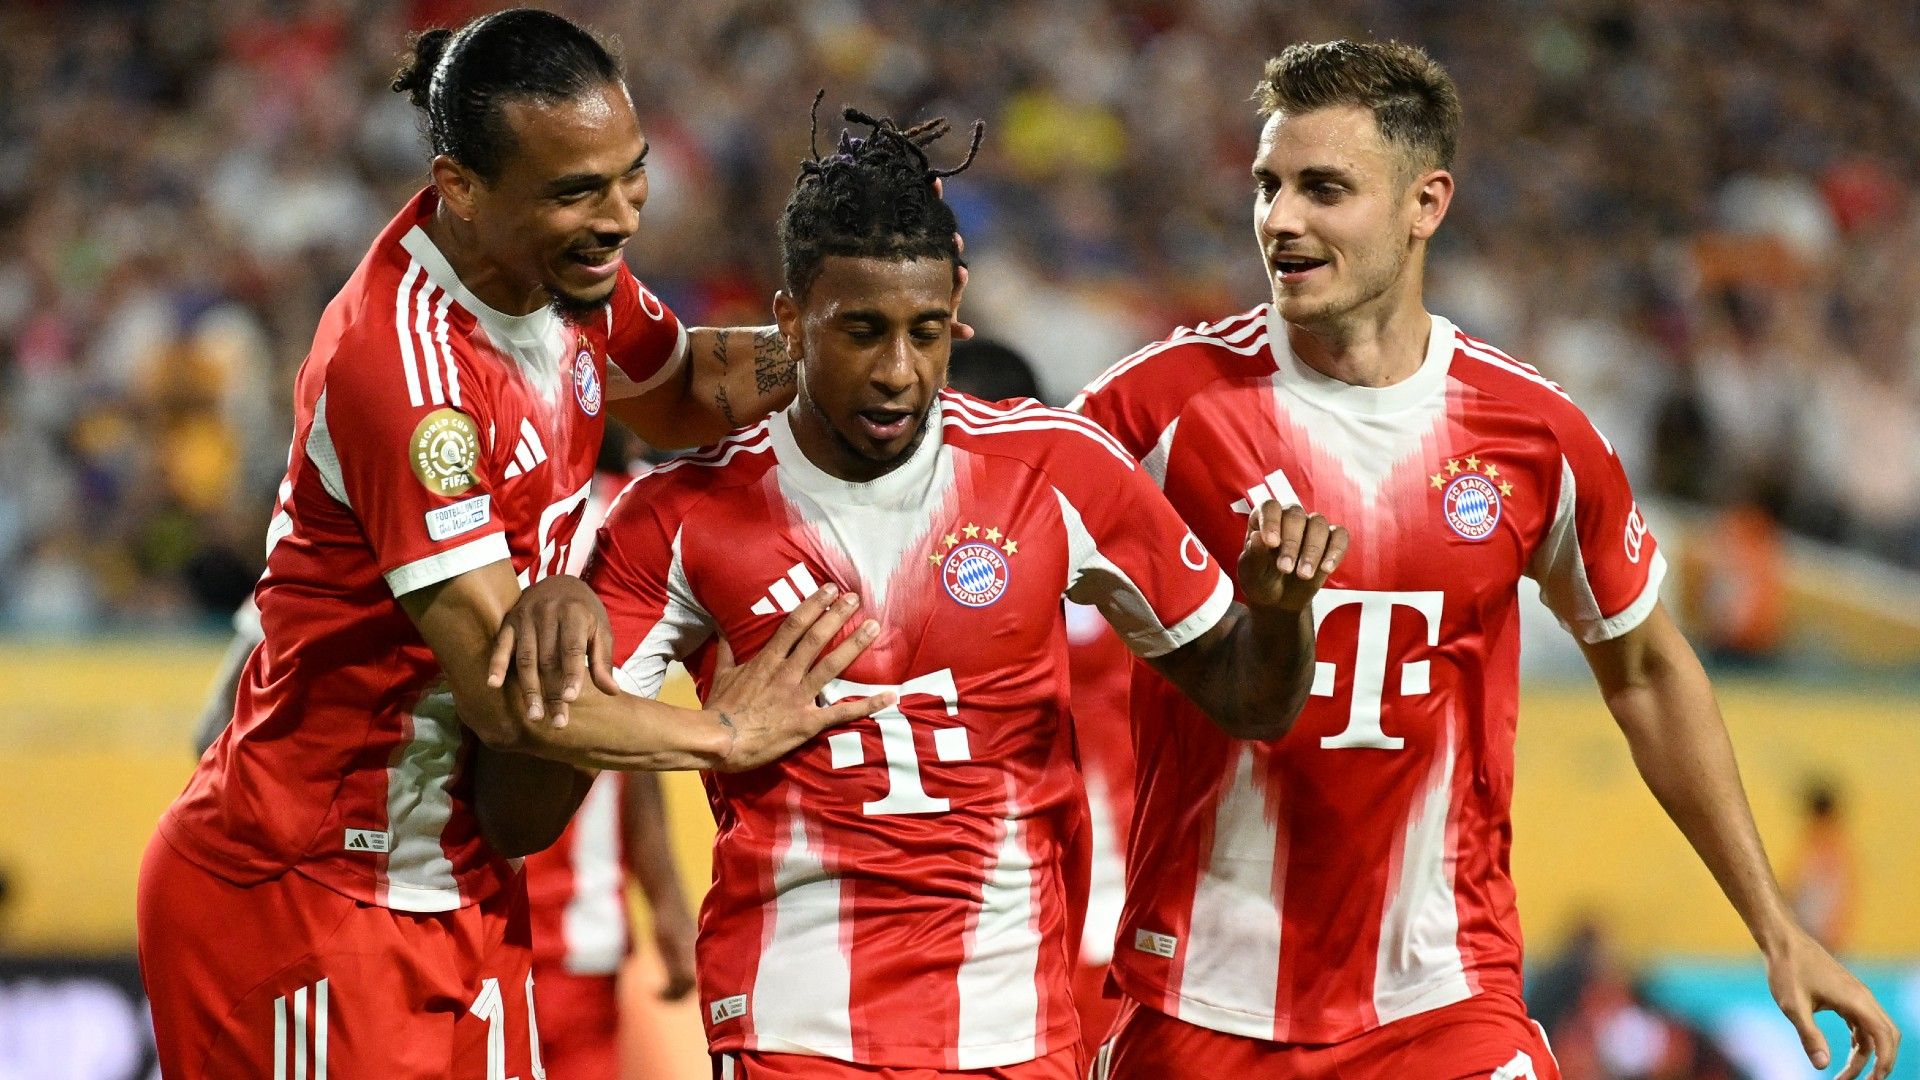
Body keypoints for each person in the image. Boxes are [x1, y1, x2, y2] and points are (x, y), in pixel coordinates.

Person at [1070, 39, 1900, 1080]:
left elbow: (1645, 670)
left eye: (1324, 189)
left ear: (1427, 203)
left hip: (1443, 999)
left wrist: (1776, 925)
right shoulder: (1152, 410)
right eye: (1268, 186)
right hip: (1203, 1005)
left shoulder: (1530, 432)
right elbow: (977, 557)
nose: (1281, 221)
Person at [136, 12, 893, 1077]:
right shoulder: (406, 372)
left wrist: (840, 346)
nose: (619, 217)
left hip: (457, 878)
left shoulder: (557, 276)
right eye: (578, 191)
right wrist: (726, 733)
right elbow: (509, 699)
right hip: (311, 892)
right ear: (460, 186)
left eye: (631, 176)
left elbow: (677, 389)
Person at [533, 104, 1344, 1079]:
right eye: (862, 332)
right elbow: (526, 808)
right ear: (789, 318)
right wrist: (596, 680)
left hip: (1015, 1033)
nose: (897, 373)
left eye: (925, 333)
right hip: (793, 1029)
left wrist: (1284, 611)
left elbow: (1255, 701)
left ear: (957, 308)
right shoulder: (680, 513)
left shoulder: (1057, 471)